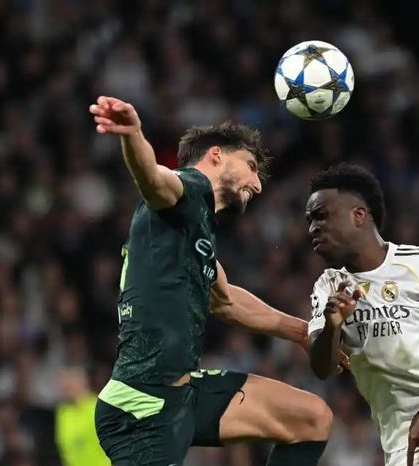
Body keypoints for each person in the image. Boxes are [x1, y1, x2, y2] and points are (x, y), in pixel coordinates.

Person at [88, 96, 335, 466]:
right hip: (142, 406)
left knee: (310, 418)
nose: (258, 185)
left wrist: (301, 331)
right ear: (216, 155)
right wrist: (133, 135)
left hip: (185, 393)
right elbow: (152, 178)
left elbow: (226, 301)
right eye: (251, 167)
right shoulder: (189, 188)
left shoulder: (194, 228)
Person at [306, 162, 419, 466]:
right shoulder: (328, 286)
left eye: (321, 215)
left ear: (359, 215)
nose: (312, 228)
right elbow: (322, 368)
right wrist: (332, 325)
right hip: (396, 438)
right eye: (310, 220)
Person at [55, 366, 109, 466]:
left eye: (68, 381)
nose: (63, 386)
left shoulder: (99, 408)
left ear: (81, 381)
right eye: (61, 382)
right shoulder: (62, 412)